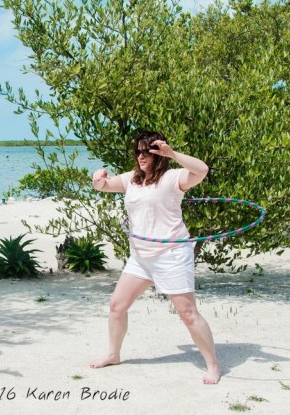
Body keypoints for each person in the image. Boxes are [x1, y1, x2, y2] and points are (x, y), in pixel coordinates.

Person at [89, 130, 221, 384]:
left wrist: (173, 153)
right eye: (138, 151)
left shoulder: (173, 178)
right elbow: (103, 186)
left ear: (158, 154)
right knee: (117, 305)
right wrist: (98, 178)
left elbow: (202, 170)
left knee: (187, 313)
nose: (141, 156)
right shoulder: (131, 180)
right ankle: (113, 354)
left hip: (171, 254)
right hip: (140, 257)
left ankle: (213, 365)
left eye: (146, 151)